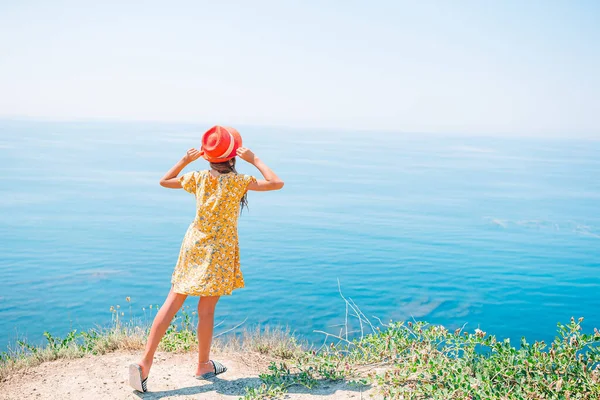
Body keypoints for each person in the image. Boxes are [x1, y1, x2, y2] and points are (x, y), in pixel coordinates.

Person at [129, 126, 284, 392]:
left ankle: (145, 362)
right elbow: (276, 183)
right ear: (233, 156)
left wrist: (185, 160)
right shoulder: (237, 182)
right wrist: (255, 159)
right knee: (206, 310)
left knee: (173, 301)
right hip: (218, 252)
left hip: (193, 244)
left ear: (207, 156)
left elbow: (165, 181)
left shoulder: (198, 177)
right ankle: (202, 364)